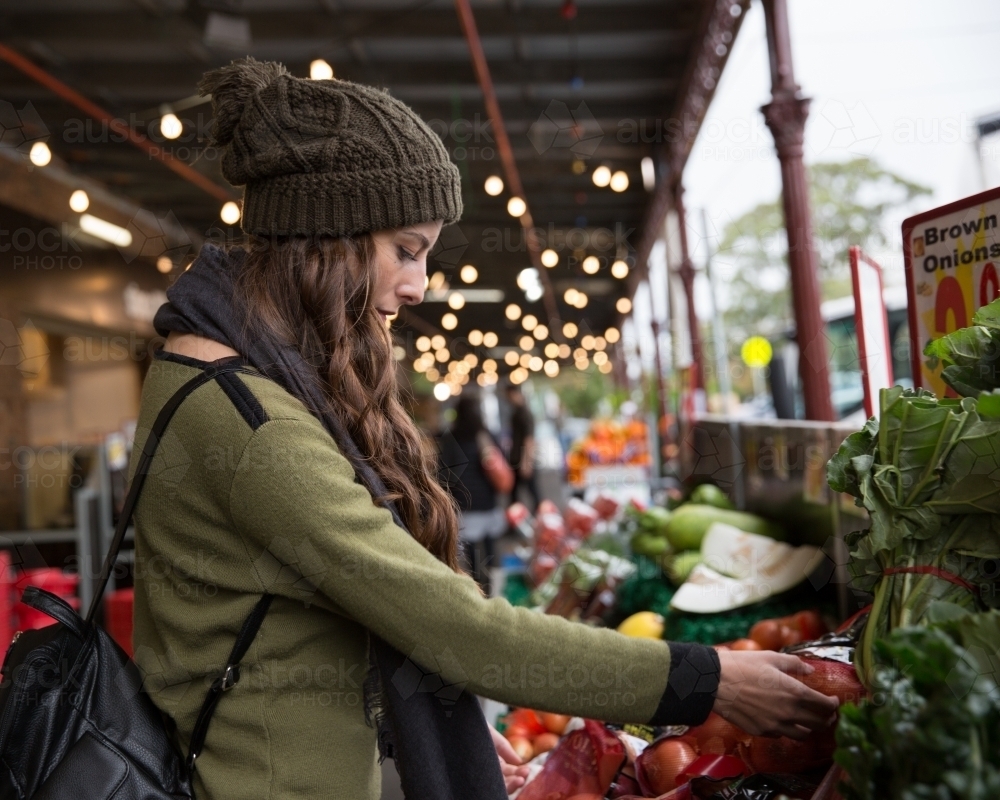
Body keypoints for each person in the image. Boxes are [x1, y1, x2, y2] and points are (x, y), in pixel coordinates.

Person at [131, 58, 840, 800]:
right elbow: (459, 631)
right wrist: (708, 679)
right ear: (326, 236)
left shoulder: (213, 369)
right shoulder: (253, 424)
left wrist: (416, 737)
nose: (416, 283)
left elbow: (283, 628)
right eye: (404, 250)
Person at [438, 393, 506, 590]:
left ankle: (479, 588)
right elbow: (501, 465)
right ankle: (496, 587)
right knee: (491, 548)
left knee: (472, 555)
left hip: (464, 504)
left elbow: (445, 472)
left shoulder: (450, 437)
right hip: (488, 501)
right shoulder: (487, 435)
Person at [505, 382, 539, 510]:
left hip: (522, 459)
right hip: (516, 459)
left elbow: (529, 439)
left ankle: (542, 519)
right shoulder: (517, 413)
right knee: (515, 494)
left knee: (533, 493)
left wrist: (527, 462)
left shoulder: (524, 413)